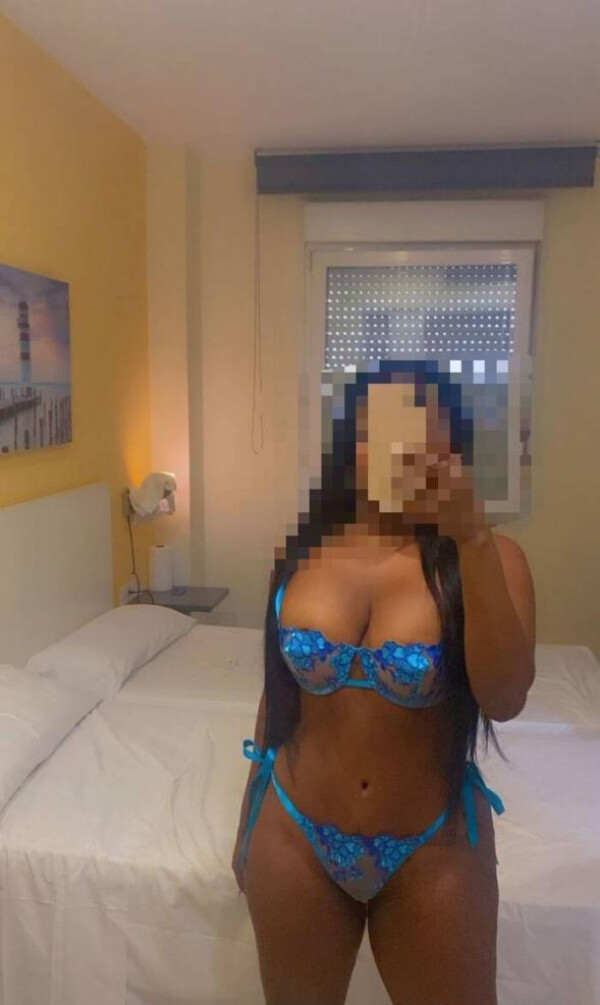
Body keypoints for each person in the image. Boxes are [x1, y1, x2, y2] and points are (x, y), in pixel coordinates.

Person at [232, 360, 536, 1005]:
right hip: (293, 835)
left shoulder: (492, 557)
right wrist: (246, 820)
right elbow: (278, 697)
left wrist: (472, 536)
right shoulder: (299, 555)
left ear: (451, 448)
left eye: (424, 427)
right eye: (383, 427)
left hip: (432, 846)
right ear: (353, 445)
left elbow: (506, 698)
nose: (404, 447)